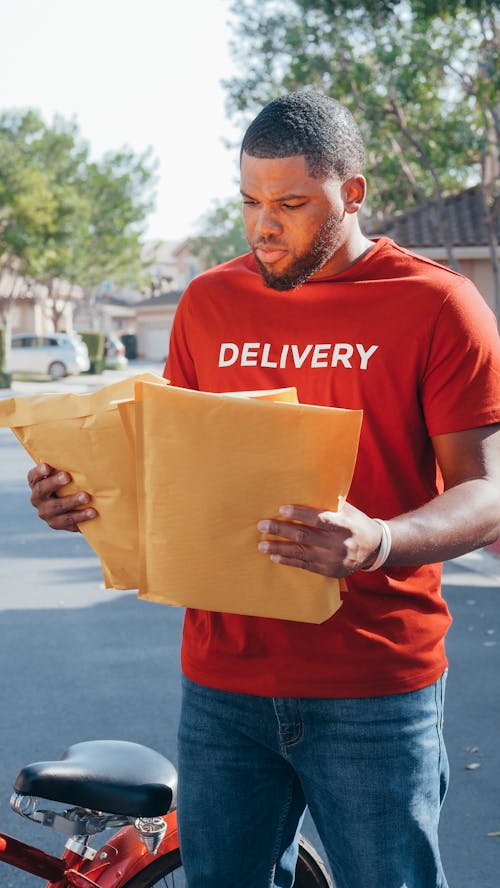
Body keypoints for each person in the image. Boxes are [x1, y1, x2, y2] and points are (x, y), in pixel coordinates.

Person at [29, 91, 500, 888]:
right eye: (249, 201)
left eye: (290, 204)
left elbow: (486, 493)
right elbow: (178, 471)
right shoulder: (209, 301)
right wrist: (83, 499)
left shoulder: (438, 304)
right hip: (222, 684)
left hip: (374, 686)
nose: (263, 226)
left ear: (351, 194)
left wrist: (376, 540)